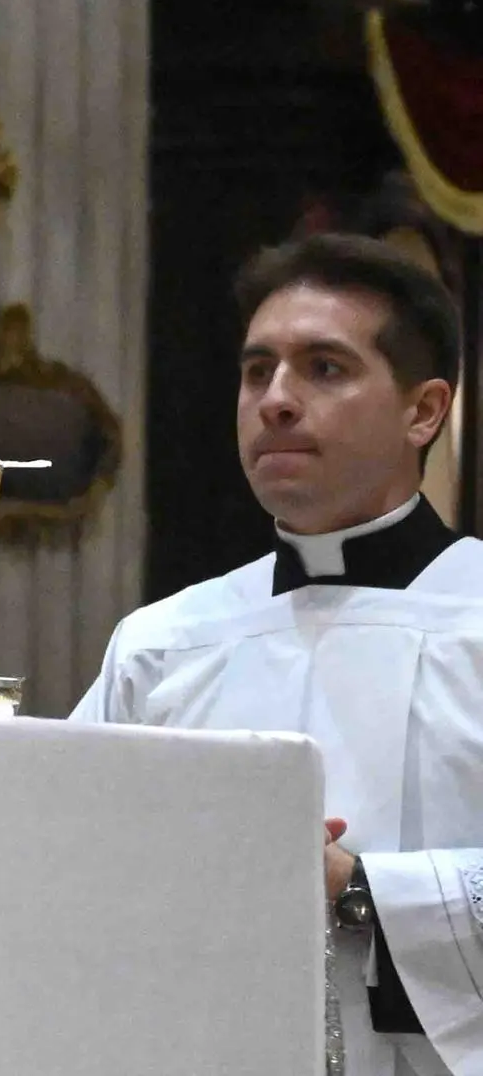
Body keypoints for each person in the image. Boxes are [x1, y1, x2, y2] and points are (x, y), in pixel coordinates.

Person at [75, 232, 483, 1074]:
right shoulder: (164, 644)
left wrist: (360, 890)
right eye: (258, 370)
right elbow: (63, 862)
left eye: (324, 368)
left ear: (425, 410)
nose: (277, 400)